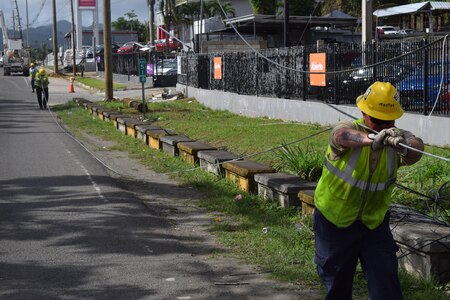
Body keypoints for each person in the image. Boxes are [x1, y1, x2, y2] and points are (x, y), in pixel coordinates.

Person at [313, 81, 424, 300]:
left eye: (387, 121)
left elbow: (417, 147)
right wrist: (371, 139)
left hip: (373, 223)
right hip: (335, 220)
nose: (383, 126)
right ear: (364, 113)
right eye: (376, 120)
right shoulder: (348, 129)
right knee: (337, 285)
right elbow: (340, 136)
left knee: (386, 283)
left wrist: (403, 145)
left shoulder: (397, 137)